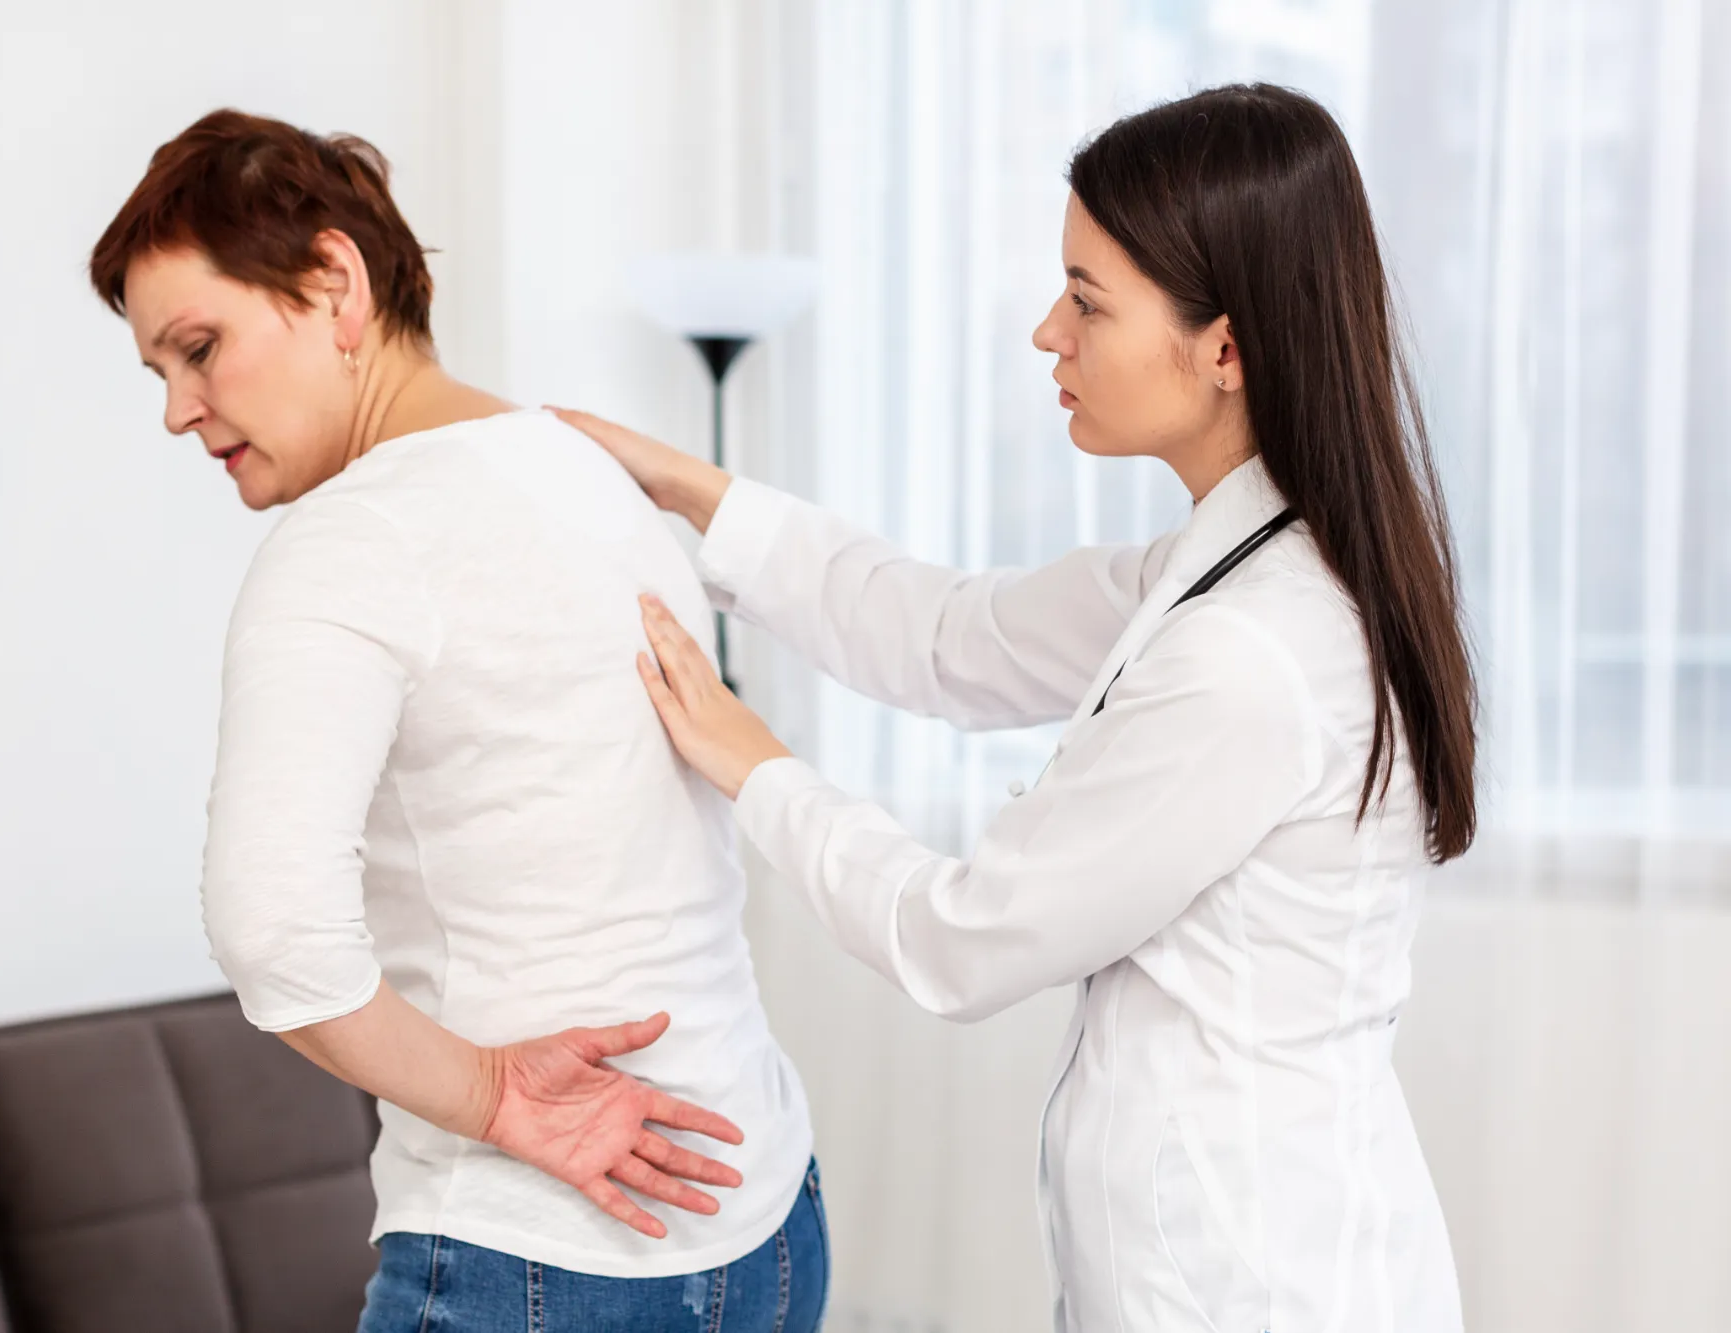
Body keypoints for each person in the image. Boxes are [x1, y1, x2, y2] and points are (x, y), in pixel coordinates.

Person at [557, 82, 1475, 1333]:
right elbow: (943, 634)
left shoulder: (1250, 653)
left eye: (1087, 301)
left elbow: (962, 940)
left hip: (1251, 1289)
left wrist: (753, 766)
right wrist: (690, 488)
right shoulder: (1217, 572)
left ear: (1223, 346)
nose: (1048, 331)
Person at [87, 109, 826, 1332]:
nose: (178, 409)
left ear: (334, 282)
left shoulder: (349, 537)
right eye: (159, 371)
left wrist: (491, 1096)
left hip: (534, 1247)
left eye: (199, 348)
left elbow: (273, 935)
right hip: (762, 1216)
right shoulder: (591, 467)